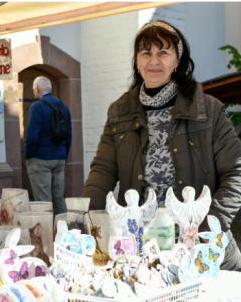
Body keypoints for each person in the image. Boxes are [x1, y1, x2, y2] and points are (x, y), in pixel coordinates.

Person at [83, 20, 241, 270]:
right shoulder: (119, 112)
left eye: (163, 52)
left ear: (177, 61)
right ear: (136, 60)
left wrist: (209, 225)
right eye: (146, 52)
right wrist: (85, 221)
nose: (153, 61)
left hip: (202, 248)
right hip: (141, 250)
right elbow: (102, 171)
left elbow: (236, 172)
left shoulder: (207, 109)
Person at [24, 76, 71, 215]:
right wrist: (64, 158)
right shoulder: (63, 105)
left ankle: (48, 236)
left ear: (37, 89)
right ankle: (64, 233)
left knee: (44, 203)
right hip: (59, 159)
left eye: (34, 90)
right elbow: (69, 135)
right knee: (59, 201)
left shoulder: (37, 105)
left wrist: (29, 157)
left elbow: (32, 136)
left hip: (40, 159)